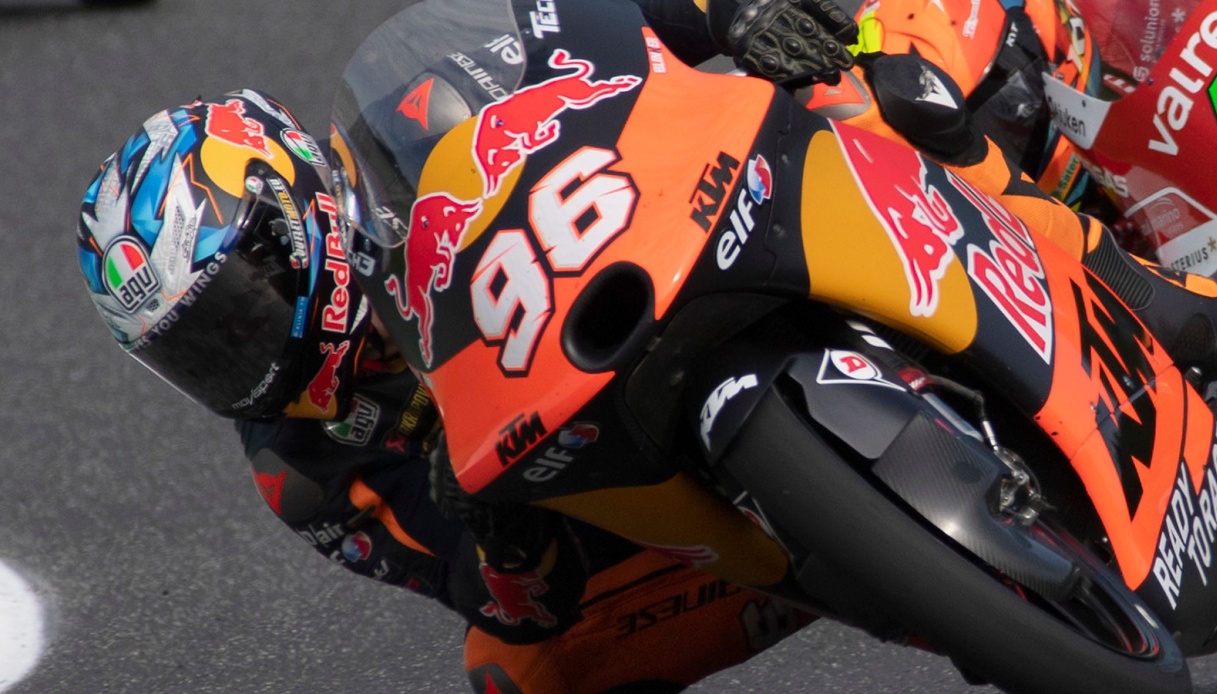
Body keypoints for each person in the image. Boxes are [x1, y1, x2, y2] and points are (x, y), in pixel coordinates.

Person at [74, 1, 1217, 693]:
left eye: (237, 303)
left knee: (886, 69)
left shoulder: (416, 101)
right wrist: (493, 534)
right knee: (513, 672)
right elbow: (505, 597)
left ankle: (1140, 288)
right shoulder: (303, 465)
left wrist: (732, 19)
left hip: (679, 220)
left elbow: (584, 20)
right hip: (649, 513)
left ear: (296, 210)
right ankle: (925, 578)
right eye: (196, 352)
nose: (239, 351)